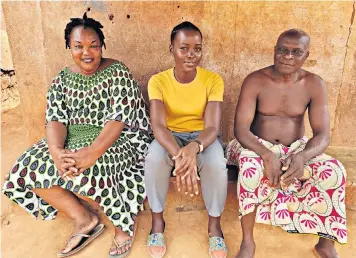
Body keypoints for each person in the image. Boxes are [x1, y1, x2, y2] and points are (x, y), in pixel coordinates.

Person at [2, 13, 152, 258]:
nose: (87, 52)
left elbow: (118, 120)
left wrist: (92, 154)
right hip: (74, 138)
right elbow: (55, 120)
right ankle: (83, 218)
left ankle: (123, 225)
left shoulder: (118, 72)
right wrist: (57, 153)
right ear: (68, 47)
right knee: (27, 167)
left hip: (122, 137)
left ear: (102, 45)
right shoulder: (61, 79)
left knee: (98, 167)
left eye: (94, 45)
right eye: (78, 46)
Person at [226, 29, 347, 258]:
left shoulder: (314, 84)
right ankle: (248, 243)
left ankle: (326, 243)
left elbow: (322, 134)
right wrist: (265, 154)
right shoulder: (256, 80)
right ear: (274, 51)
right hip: (254, 143)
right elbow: (241, 129)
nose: (288, 56)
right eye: (282, 50)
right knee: (251, 169)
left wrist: (301, 157)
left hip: (296, 148)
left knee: (335, 171)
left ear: (306, 55)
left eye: (296, 52)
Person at [144, 21, 228, 258]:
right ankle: (157, 223)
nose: (191, 55)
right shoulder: (158, 81)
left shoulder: (213, 80)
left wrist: (194, 148)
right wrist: (180, 156)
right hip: (169, 138)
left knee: (216, 165)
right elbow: (158, 127)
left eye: (197, 49)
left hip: (202, 139)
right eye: (184, 48)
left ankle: (214, 228)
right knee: (153, 160)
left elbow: (212, 127)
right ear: (171, 48)